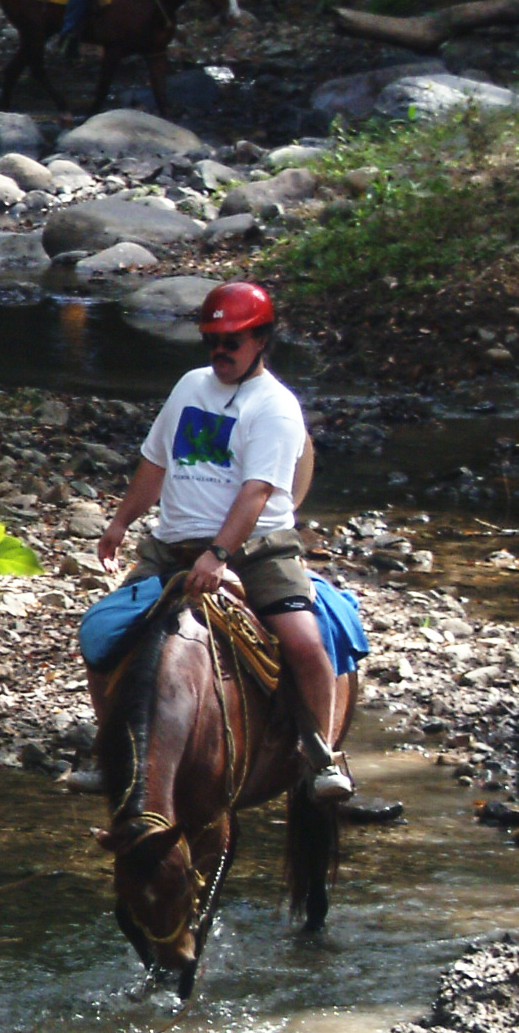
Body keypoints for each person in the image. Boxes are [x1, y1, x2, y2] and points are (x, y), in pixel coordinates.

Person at [93, 281, 354, 804]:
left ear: (261, 340)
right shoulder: (190, 386)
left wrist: (218, 555)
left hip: (258, 549)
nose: (220, 351)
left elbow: (257, 491)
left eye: (231, 341)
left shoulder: (275, 407)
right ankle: (111, 751)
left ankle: (322, 755)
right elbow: (155, 462)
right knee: (102, 633)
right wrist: (121, 522)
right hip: (170, 547)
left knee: (304, 643)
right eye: (212, 340)